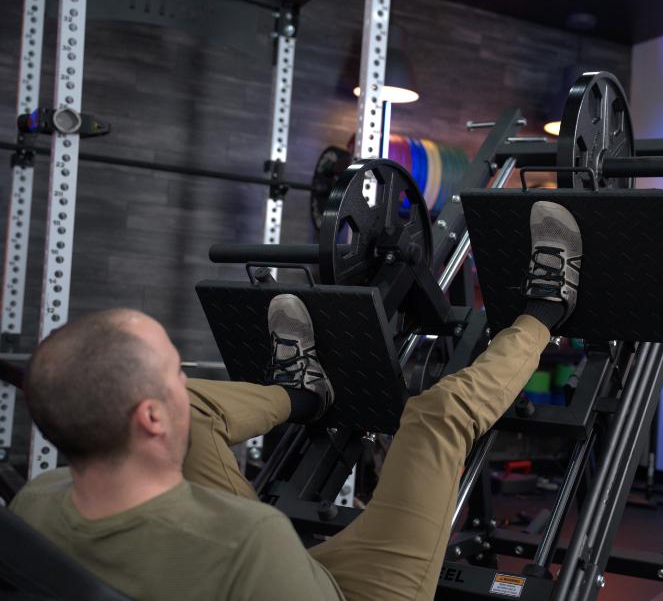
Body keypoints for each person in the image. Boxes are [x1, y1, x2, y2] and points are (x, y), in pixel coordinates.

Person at [10, 201, 583, 601]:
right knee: (437, 417)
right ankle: (548, 311)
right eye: (172, 372)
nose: (181, 377)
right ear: (152, 417)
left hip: (254, 579)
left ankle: (301, 392)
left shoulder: (35, 502)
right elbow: (255, 557)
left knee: (203, 414)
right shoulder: (248, 540)